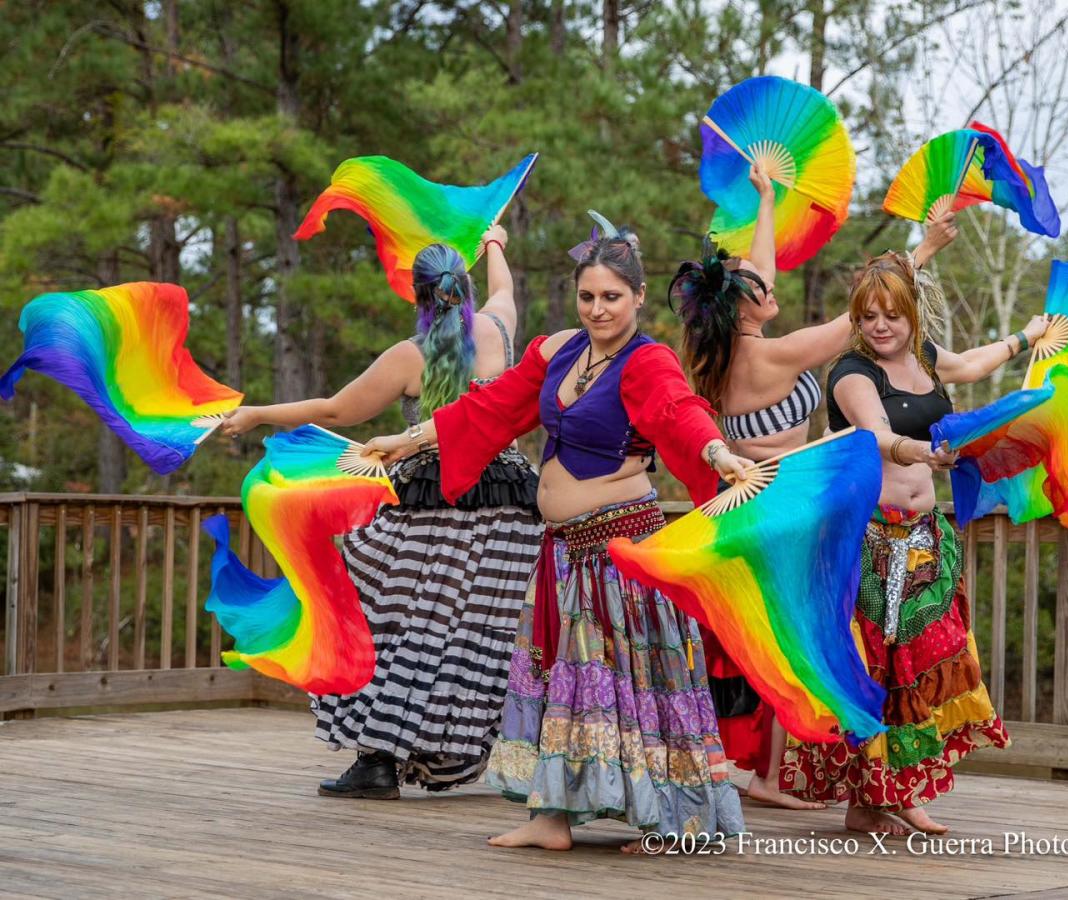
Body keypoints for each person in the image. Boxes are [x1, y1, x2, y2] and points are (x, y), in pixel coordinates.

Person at [365, 219, 750, 852]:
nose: (598, 309)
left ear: (640, 296)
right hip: (563, 552)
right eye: (588, 296)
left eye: (612, 297)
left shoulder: (646, 360)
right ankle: (552, 818)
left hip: (618, 553)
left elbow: (678, 411)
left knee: (630, 688)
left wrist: (717, 454)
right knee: (560, 683)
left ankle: (678, 819)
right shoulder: (559, 351)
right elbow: (485, 409)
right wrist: (405, 440)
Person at [220, 226, 543, 798]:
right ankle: (467, 748)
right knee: (477, 633)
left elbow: (336, 410)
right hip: (511, 504)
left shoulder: (409, 357)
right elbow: (506, 292)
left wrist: (256, 414)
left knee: (377, 618)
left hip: (430, 500)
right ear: (464, 290)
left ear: (419, 297)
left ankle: (378, 761)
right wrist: (496, 243)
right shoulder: (497, 331)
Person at [674, 159, 957, 811]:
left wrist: (767, 199)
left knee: (777, 636)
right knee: (798, 637)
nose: (767, 283)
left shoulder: (722, 349)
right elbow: (857, 322)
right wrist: (924, 250)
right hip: (781, 508)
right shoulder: (770, 354)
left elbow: (758, 271)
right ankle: (771, 775)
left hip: (748, 507)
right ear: (744, 306)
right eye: (756, 286)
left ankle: (760, 769)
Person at [778, 248, 1050, 834]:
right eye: (869, 315)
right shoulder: (852, 373)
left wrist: (1026, 337)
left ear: (911, 315)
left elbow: (971, 366)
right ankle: (876, 797)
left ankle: (885, 795)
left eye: (891, 315)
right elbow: (876, 435)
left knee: (923, 661)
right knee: (877, 668)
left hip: (925, 537)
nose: (880, 326)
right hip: (870, 541)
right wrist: (924, 451)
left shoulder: (925, 355)